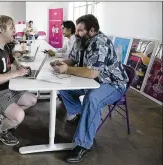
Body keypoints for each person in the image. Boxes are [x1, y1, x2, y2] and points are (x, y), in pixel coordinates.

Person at [51, 14, 129, 163]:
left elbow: (92, 72)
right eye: (77, 30)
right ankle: (82, 115)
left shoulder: (100, 43)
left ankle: (83, 145)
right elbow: (73, 59)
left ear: (92, 30)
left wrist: (67, 70)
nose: (77, 33)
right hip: (93, 81)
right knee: (63, 88)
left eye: (80, 30)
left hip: (113, 84)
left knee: (92, 98)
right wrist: (60, 63)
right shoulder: (81, 40)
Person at [0, 15, 37, 146]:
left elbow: (10, 58)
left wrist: (20, 67)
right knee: (19, 116)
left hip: (5, 88)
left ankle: (3, 117)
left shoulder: (4, 46)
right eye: (11, 27)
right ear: (1, 30)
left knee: (32, 99)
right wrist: (16, 73)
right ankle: (0, 130)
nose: (15, 30)